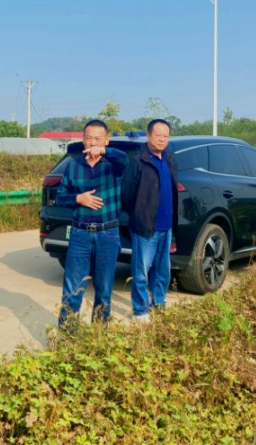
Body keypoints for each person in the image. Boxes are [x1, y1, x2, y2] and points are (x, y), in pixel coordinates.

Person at [55, 119, 128, 329]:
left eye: (98, 138)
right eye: (89, 138)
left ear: (106, 140)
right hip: (80, 234)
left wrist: (104, 151)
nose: (93, 142)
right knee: (72, 291)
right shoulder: (73, 166)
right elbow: (60, 197)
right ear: (83, 139)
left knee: (103, 291)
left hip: (108, 234)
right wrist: (79, 198)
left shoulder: (114, 165)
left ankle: (98, 337)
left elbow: (123, 158)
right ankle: (68, 338)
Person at [121, 119, 178, 322]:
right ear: (148, 135)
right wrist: (137, 215)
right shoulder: (139, 160)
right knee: (141, 270)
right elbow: (126, 193)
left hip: (166, 226)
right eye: (157, 135)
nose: (161, 139)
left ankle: (159, 304)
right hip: (145, 225)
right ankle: (141, 310)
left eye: (165, 136)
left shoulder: (168, 159)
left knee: (162, 270)